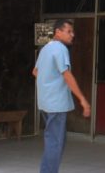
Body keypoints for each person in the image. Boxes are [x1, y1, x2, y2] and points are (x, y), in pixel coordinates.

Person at [32, 19, 91, 173]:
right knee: (55, 143)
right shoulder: (60, 49)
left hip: (45, 102)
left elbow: (35, 72)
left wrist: (47, 84)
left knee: (55, 141)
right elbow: (67, 75)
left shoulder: (46, 48)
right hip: (56, 103)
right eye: (69, 31)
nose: (73, 35)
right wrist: (83, 100)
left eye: (73, 31)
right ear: (58, 32)